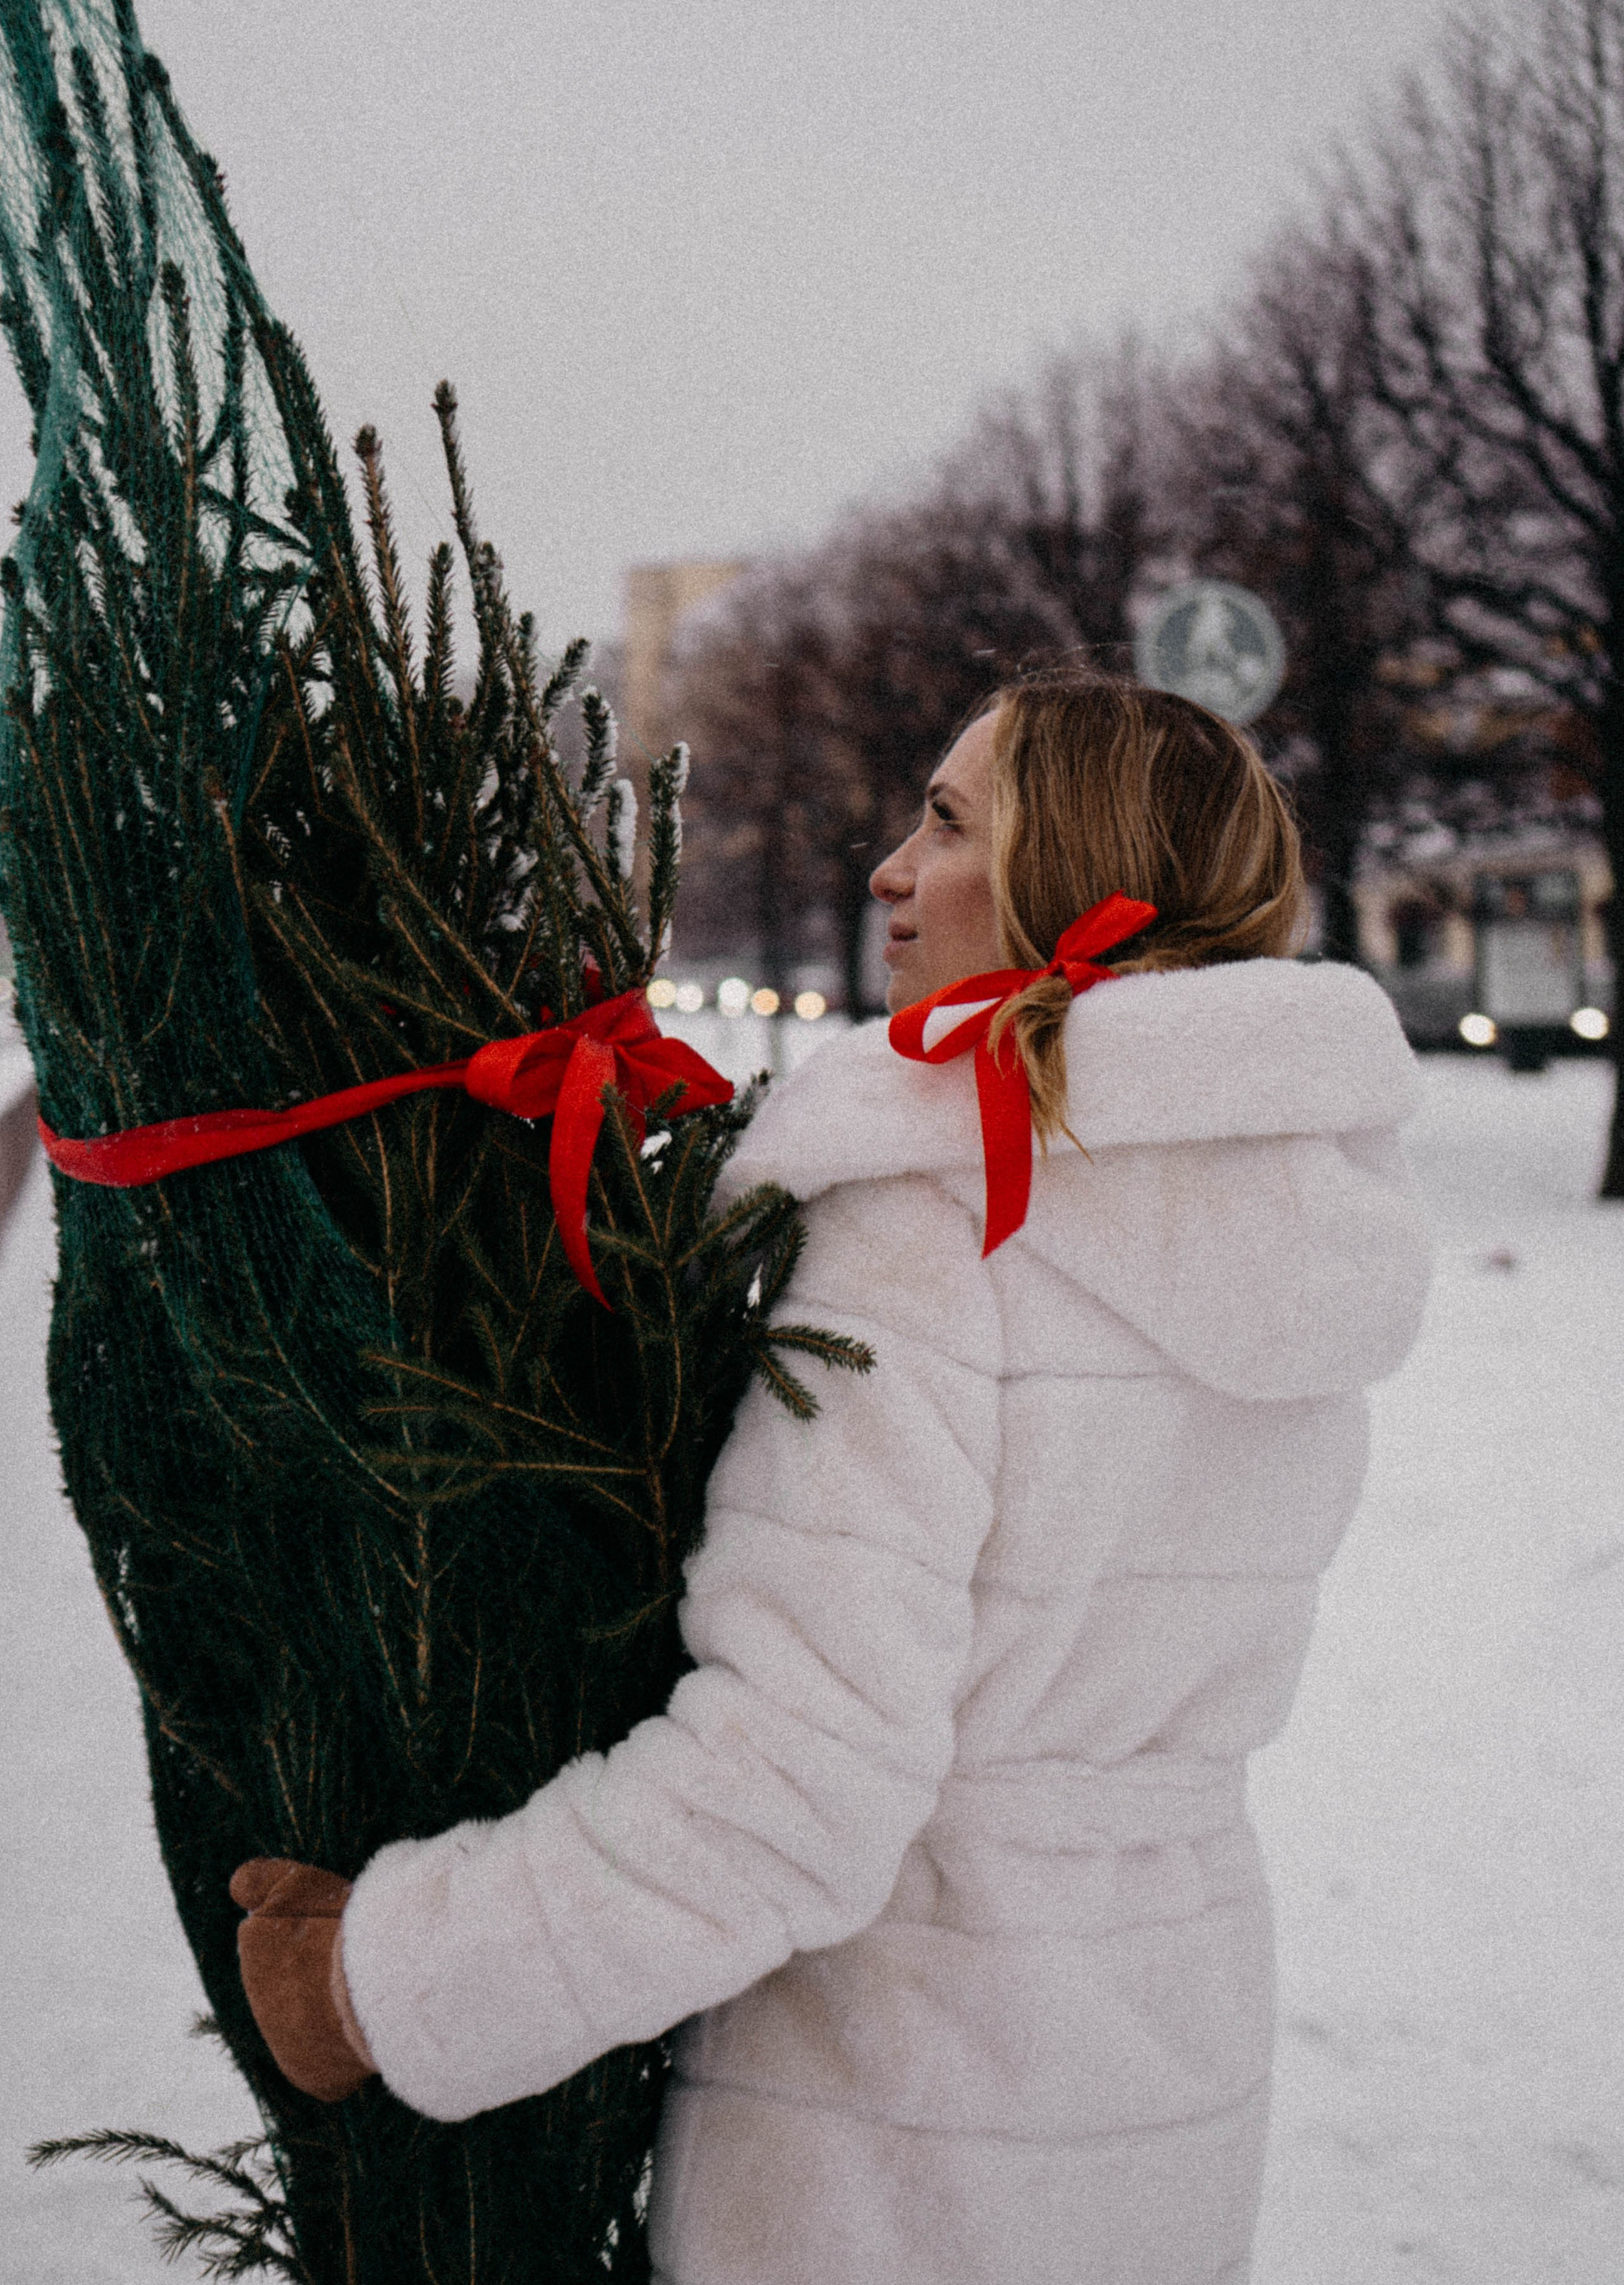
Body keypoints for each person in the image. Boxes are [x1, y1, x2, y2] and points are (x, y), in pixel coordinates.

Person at [233, 672, 1431, 2285]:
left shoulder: (940, 1208)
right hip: (1160, 2063)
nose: (887, 867)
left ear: (1068, 873)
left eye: (944, 821)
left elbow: (797, 1787)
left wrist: (389, 1976)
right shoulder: (1295, 1231)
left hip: (898, 2121)